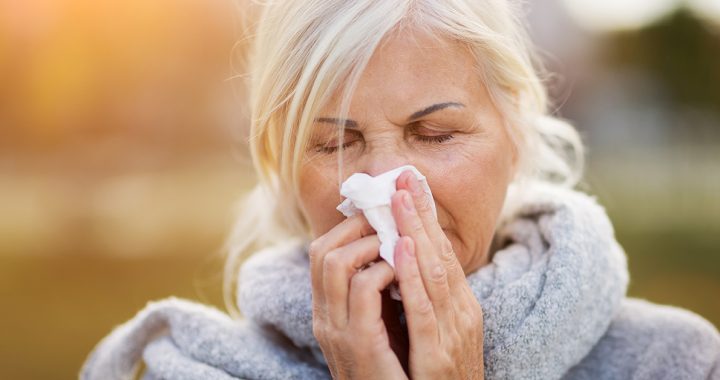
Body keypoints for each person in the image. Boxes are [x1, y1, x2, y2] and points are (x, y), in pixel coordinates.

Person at [80, 1, 720, 379]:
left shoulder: (675, 363)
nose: (385, 188)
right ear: (278, 160)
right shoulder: (190, 367)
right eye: (334, 144)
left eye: (436, 132)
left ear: (517, 133)